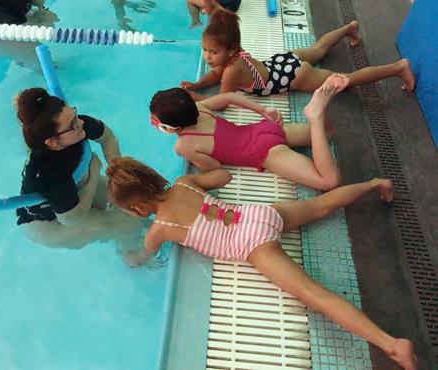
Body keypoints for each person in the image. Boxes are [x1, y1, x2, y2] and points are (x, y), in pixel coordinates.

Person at [106, 155, 416, 370]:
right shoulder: (184, 182)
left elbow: (141, 259)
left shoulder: (160, 230)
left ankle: (391, 345)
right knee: (321, 205)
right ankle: (376, 184)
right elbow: (222, 176)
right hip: (256, 214)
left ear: (137, 206)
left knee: (315, 296)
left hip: (254, 245)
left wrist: (128, 257)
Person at [149, 77, 343, 190]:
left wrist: (194, 159)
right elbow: (230, 97)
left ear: (171, 127)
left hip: (266, 153)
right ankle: (319, 111)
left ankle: (315, 115)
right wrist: (262, 111)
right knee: (328, 132)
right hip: (262, 129)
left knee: (329, 181)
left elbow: (215, 167)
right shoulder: (200, 108)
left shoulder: (183, 145)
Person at [15, 87, 140, 249]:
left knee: (133, 199)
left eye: (75, 115)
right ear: (52, 142)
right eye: (72, 124)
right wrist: (94, 173)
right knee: (129, 225)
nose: (81, 123)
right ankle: (131, 257)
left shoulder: (75, 127)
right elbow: (72, 219)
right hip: (47, 222)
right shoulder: (49, 173)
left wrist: (117, 170)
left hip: (76, 187)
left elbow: (107, 137)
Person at [180, 10, 415, 96]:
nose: (207, 56)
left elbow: (223, 100)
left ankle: (398, 68)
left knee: (346, 81)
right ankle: (348, 29)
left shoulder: (231, 70)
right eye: (205, 50)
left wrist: (196, 99)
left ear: (229, 50)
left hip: (292, 77)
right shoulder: (233, 55)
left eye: (212, 51)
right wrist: (198, 84)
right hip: (282, 61)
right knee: (318, 49)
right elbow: (215, 74)